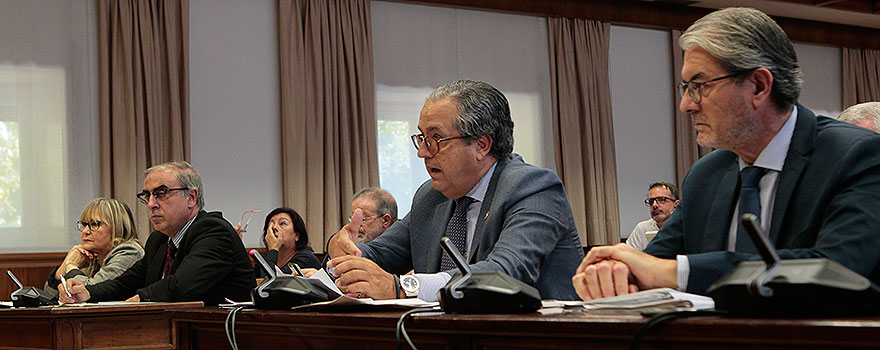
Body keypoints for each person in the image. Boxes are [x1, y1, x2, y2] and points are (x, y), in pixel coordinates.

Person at [573, 7, 880, 301]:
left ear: (759, 86)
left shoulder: (858, 155)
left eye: (699, 86)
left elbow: (837, 270)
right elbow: (653, 264)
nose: (686, 105)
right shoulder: (706, 174)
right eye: (686, 87)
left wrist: (677, 272)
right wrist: (617, 271)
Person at [327, 80, 584, 301]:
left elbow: (504, 273)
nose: (422, 152)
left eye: (436, 139)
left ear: (481, 145)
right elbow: (382, 253)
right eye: (422, 138)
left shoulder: (534, 188)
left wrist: (405, 287)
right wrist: (348, 250)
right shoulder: (430, 196)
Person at [59, 161, 256, 305]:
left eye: (161, 193)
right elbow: (124, 283)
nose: (152, 204)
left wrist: (141, 298)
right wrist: (88, 293)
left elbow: (182, 286)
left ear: (191, 197)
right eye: (148, 195)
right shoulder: (159, 240)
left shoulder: (214, 231)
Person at [44, 198, 144, 298]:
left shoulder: (130, 252)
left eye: (94, 224)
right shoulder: (88, 256)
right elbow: (48, 297)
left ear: (117, 227)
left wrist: (70, 266)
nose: (85, 231)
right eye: (84, 224)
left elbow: (91, 291)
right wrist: (62, 268)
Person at [254, 207, 321, 277]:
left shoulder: (305, 258)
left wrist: (273, 248)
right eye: (270, 225)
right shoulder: (267, 257)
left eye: (282, 223)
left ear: (297, 235)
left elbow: (273, 284)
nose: (274, 228)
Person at [625, 182, 680, 251]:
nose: (654, 205)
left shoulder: (687, 228)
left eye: (661, 200)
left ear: (676, 205)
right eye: (651, 201)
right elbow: (628, 256)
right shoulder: (642, 229)